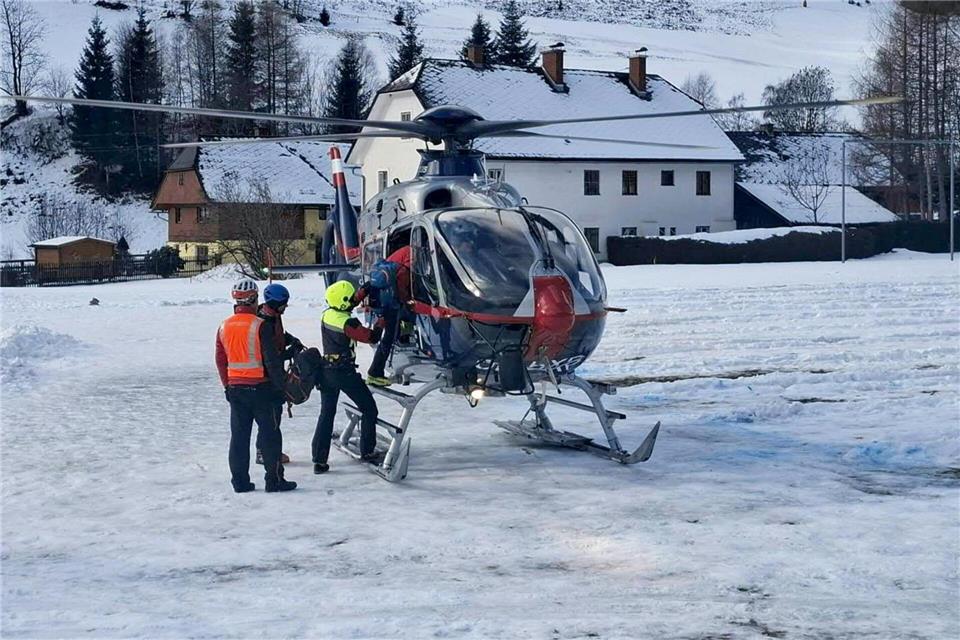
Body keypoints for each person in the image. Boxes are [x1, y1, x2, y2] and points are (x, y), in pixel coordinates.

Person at [216, 279, 297, 493]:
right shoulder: (259, 326)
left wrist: (227, 386)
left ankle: (240, 483)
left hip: (236, 390)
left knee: (239, 439)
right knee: (270, 436)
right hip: (262, 389)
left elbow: (220, 360)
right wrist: (281, 389)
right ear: (253, 299)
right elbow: (271, 360)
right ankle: (274, 480)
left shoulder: (224, 326)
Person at [312, 279, 384, 474]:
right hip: (343, 372)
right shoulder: (348, 322)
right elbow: (371, 337)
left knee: (326, 414)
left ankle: (319, 460)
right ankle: (367, 451)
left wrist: (363, 291)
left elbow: (346, 303)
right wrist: (381, 322)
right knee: (369, 409)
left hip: (326, 370)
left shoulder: (328, 314)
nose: (355, 300)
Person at [254, 283, 302, 467]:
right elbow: (270, 356)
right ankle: (264, 452)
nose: (285, 307)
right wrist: (289, 354)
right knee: (270, 416)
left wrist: (291, 340)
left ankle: (268, 450)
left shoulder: (274, 317)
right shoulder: (263, 322)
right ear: (274, 303)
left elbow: (279, 335)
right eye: (283, 303)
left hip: (274, 371)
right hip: (266, 375)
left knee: (275, 415)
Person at [366, 245, 413, 387]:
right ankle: (375, 373)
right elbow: (402, 288)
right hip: (391, 307)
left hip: (381, 303)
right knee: (387, 339)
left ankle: (375, 371)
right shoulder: (405, 267)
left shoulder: (396, 261)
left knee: (386, 337)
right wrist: (407, 301)